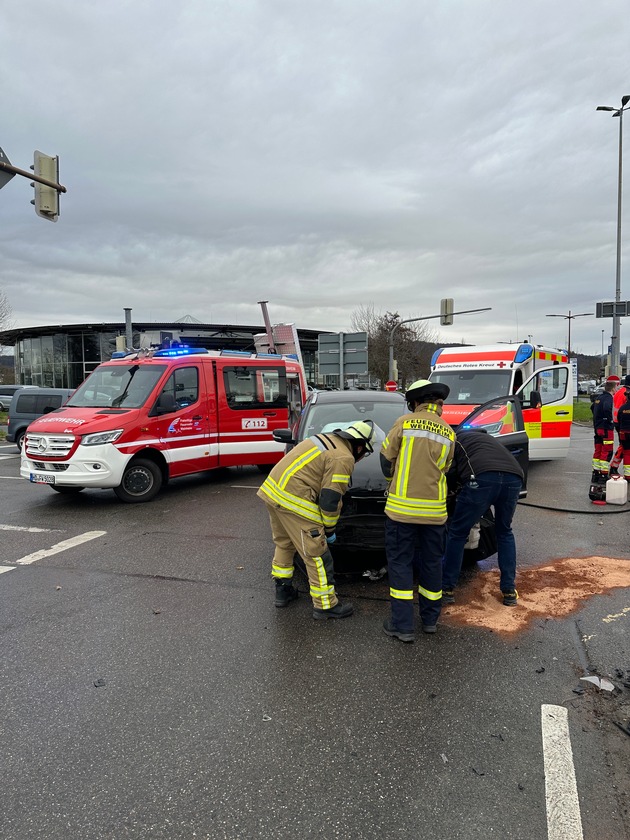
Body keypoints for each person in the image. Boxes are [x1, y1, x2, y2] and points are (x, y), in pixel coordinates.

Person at [257, 420, 376, 620]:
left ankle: (283, 591)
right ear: (359, 446)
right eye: (365, 453)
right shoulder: (343, 457)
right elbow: (329, 501)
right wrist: (329, 532)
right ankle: (325, 605)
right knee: (318, 554)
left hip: (273, 493)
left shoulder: (323, 439)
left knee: (285, 544)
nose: (362, 458)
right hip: (295, 501)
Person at [380, 379, 455, 642]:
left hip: (401, 513)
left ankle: (402, 626)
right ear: (438, 404)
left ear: (414, 403)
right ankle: (430, 620)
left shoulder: (404, 423)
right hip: (434, 514)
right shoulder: (448, 432)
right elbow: (445, 469)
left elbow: (385, 457)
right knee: (432, 563)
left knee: (400, 564)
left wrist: (392, 478)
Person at [441, 428, 525, 607]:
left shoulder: (456, 440)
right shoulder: (491, 442)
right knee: (504, 532)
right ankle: (509, 591)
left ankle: (447, 588)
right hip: (514, 478)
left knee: (457, 532)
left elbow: (452, 472)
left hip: (479, 479)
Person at [591, 378, 617, 481]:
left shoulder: (599, 397)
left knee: (598, 450)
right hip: (606, 428)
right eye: (616, 388)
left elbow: (592, 408)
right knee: (607, 450)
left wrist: (598, 418)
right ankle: (604, 474)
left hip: (597, 428)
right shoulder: (608, 398)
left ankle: (596, 473)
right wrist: (609, 420)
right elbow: (607, 408)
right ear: (613, 388)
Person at [615, 376, 630, 480]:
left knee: (623, 446)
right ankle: (614, 466)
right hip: (625, 423)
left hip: (618, 422)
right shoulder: (627, 393)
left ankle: (614, 466)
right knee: (626, 448)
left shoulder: (619, 391)